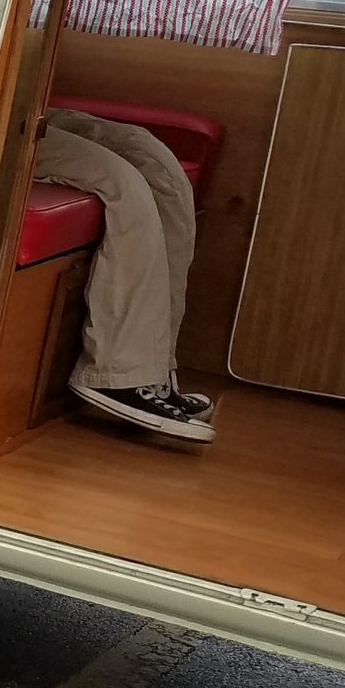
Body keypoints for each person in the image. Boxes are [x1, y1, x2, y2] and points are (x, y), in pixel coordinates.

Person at [34, 106, 215, 443]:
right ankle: (116, 373)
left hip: (28, 106)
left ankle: (153, 369)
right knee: (122, 182)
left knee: (157, 163)